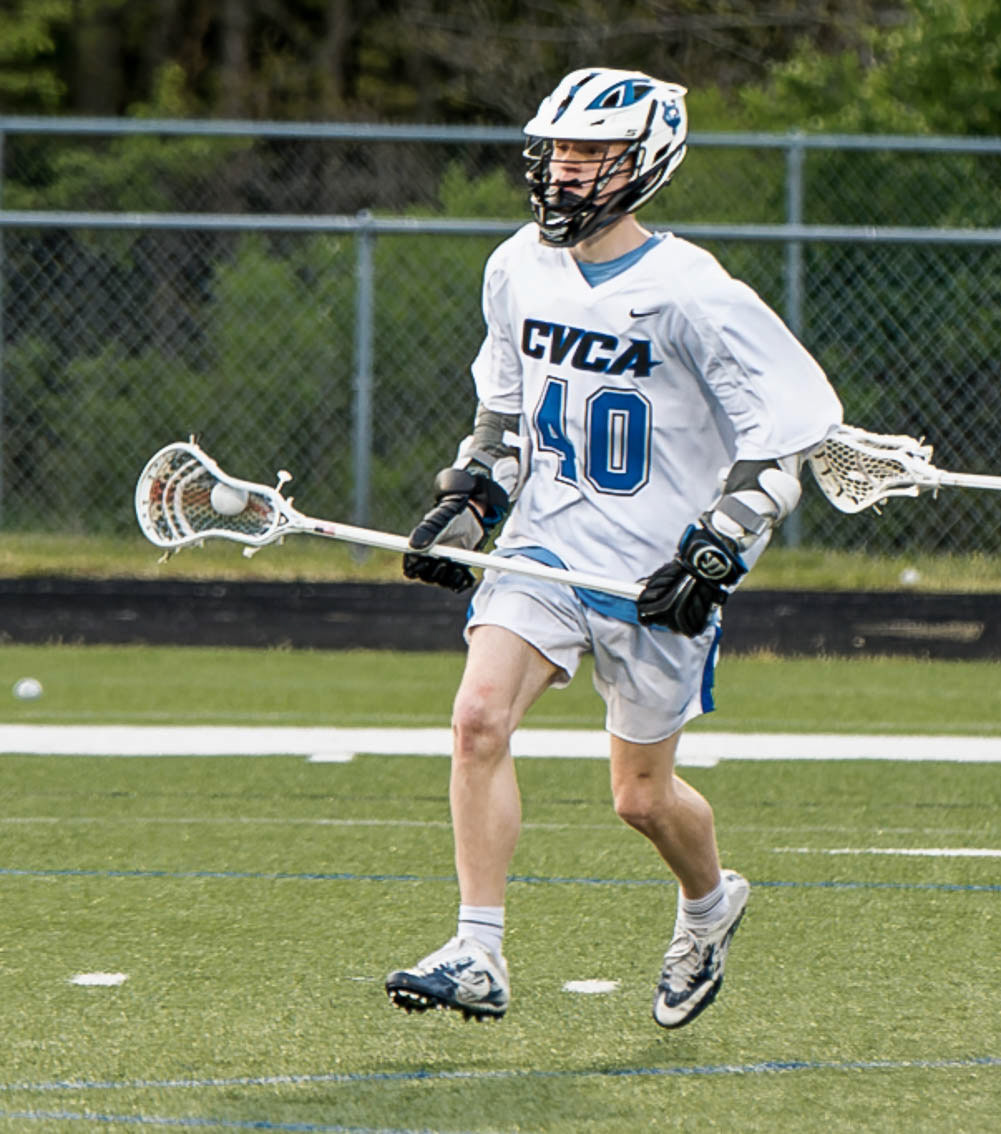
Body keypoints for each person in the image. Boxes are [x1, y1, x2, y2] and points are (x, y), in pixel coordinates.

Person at [382, 67, 842, 1029]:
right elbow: (506, 415)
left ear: (644, 164)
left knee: (640, 798)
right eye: (560, 150)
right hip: (547, 550)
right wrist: (472, 501)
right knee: (477, 720)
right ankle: (477, 949)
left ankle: (709, 906)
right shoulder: (517, 267)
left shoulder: (690, 290)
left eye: (593, 153)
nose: (567, 170)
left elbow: (786, 431)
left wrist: (719, 546)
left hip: (653, 571)